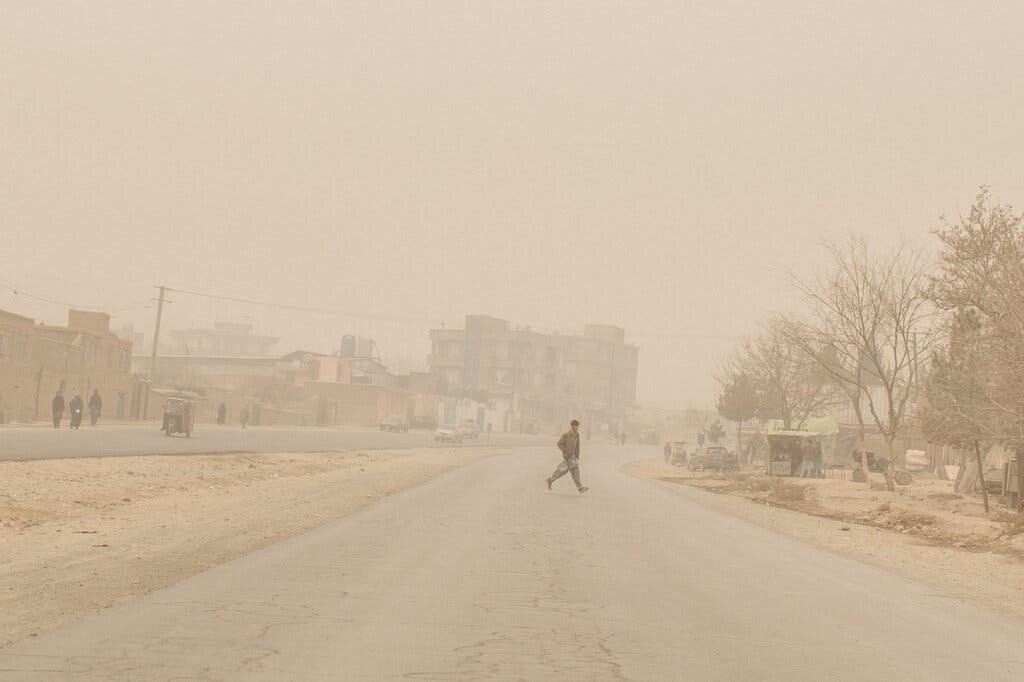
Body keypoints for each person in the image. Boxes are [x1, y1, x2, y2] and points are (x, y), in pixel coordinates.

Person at [546, 419, 588, 494]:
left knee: (569, 470)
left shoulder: (576, 435)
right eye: (575, 426)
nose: (577, 427)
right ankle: (580, 488)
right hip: (568, 456)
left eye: (577, 426)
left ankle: (550, 480)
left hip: (573, 457)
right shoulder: (566, 434)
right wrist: (565, 451)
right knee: (568, 471)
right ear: (572, 426)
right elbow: (559, 443)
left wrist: (577, 456)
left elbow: (577, 447)